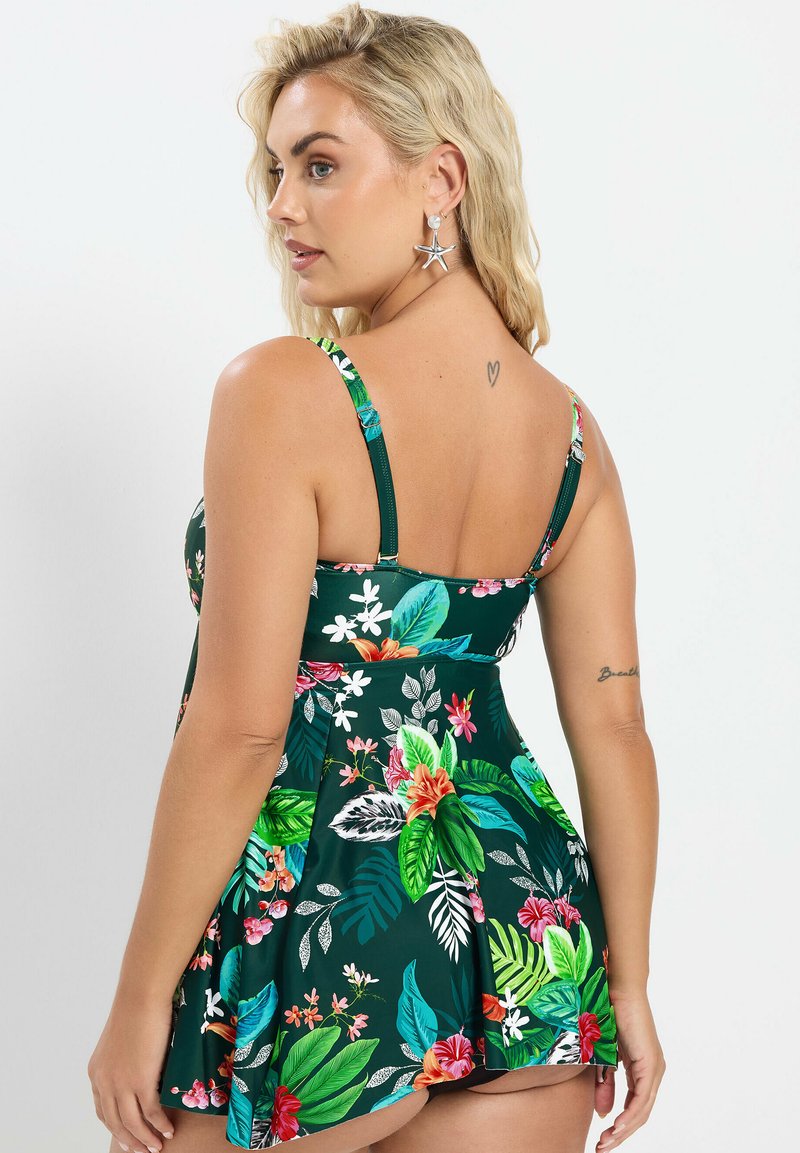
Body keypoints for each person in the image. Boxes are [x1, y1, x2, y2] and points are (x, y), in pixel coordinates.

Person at [87, 5, 665, 1152]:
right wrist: (630, 983)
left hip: (324, 940)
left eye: (318, 166)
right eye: (273, 171)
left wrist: (140, 997)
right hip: (528, 947)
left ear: (439, 179)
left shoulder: (284, 391)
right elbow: (612, 722)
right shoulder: (570, 437)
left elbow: (240, 728)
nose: (280, 206)